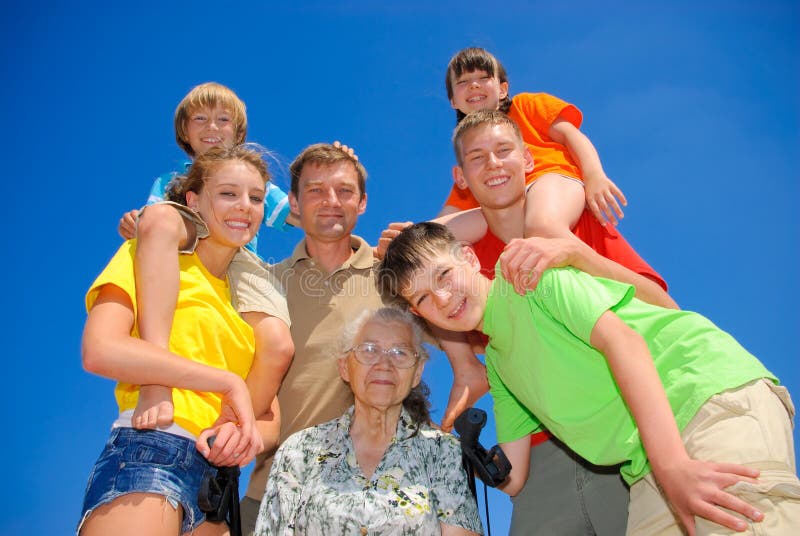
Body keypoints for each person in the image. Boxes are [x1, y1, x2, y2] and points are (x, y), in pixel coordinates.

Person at [379, 221, 800, 536]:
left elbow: (625, 345)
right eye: (423, 299)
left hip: (705, 397)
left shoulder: (530, 278)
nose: (443, 299)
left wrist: (672, 465)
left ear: (469, 259)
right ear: (419, 314)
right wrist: (469, 457)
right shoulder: (502, 367)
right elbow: (515, 478)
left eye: (444, 276)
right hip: (647, 464)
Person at [378, 110, 676, 534]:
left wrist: (575, 256)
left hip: (634, 433)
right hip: (537, 452)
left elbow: (664, 310)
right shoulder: (459, 262)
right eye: (477, 158)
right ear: (460, 178)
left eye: (503, 151)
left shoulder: (573, 222)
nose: (493, 165)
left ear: (530, 158)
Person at [78, 144, 282, 536]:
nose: (244, 206)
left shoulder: (249, 304)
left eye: (255, 198)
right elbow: (100, 350)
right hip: (152, 450)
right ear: (193, 200)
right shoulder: (147, 255)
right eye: (227, 193)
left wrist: (245, 437)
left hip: (218, 490)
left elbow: (268, 413)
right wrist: (224, 381)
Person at [114, 82, 295, 433]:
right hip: (191, 241)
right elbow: (151, 222)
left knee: (277, 343)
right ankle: (156, 375)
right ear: (185, 130)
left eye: (223, 119)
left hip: (238, 259)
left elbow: (298, 213)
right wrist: (138, 223)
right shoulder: (171, 181)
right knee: (162, 218)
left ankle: (230, 425)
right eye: (200, 118)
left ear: (238, 131)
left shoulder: (252, 178)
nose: (212, 127)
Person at [238, 143, 390, 534]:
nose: (331, 201)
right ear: (293, 202)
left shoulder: (395, 279)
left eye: (344, 190)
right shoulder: (263, 284)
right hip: (271, 496)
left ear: (363, 203)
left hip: (375, 499)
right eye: (316, 190)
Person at [255, 307, 483, 535]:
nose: (384, 364)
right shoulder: (299, 451)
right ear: (345, 367)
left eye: (399, 353)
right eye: (369, 350)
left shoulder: (443, 451)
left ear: (417, 373)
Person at [440, 47, 626, 234]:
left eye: (484, 78)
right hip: (504, 206)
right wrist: (418, 231)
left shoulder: (524, 105)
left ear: (503, 89)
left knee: (540, 224)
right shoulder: (473, 156)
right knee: (429, 244)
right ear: (453, 101)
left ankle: (575, 253)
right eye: (463, 81)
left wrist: (594, 175)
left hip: (549, 179)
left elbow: (570, 135)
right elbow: (452, 210)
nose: (474, 85)